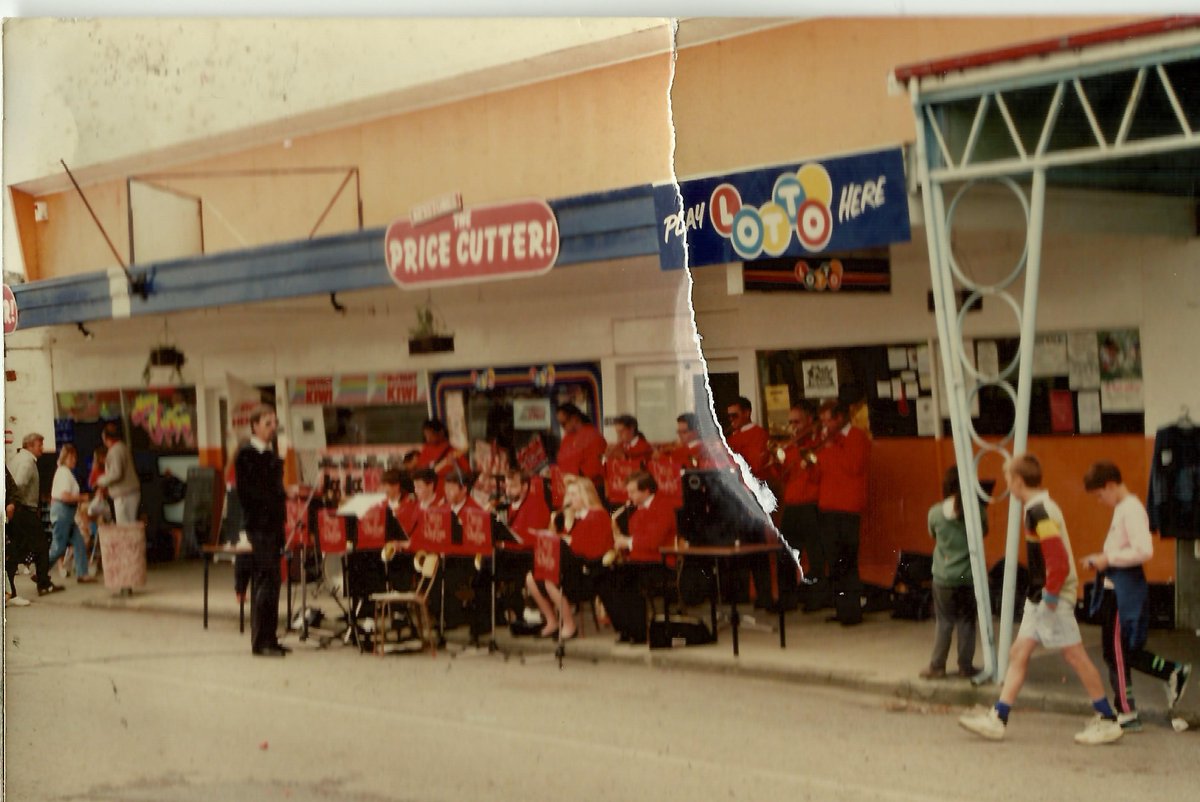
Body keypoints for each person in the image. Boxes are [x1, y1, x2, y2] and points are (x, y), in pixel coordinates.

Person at [959, 453, 1123, 745]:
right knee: (1019, 653)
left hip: (1051, 596)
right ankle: (998, 718)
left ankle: (1108, 719)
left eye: (1009, 479)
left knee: (1074, 655)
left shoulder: (1037, 512)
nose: (1008, 484)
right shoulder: (1042, 506)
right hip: (1042, 597)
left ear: (1019, 481)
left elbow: (1057, 560)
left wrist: (1049, 596)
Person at [1080, 460, 1192, 731]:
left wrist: (1108, 558)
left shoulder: (1130, 509)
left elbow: (1144, 550)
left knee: (1116, 651)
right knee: (1122, 650)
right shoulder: (1124, 508)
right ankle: (1171, 671)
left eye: (1099, 495)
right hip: (1117, 587)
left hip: (1122, 590)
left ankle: (1127, 712)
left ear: (1110, 485)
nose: (1099, 501)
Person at [234, 405, 290, 657]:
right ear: (254, 426)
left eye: (274, 423)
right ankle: (260, 640)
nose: (272, 428)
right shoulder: (247, 455)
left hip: (274, 525)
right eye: (267, 423)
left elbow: (275, 488)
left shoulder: (270, 453)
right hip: (259, 525)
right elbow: (250, 493)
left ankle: (270, 636)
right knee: (264, 581)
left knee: (273, 582)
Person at [525, 476, 612, 639]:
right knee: (531, 578)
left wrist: (567, 540)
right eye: (568, 495)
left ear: (586, 495)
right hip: (572, 567)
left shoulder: (597, 515)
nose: (569, 499)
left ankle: (569, 624)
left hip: (590, 570)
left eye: (574, 495)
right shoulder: (573, 518)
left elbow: (592, 549)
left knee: (551, 580)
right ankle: (551, 620)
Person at [600, 471, 678, 644]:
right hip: (639, 561)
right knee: (604, 579)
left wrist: (627, 542)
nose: (629, 496)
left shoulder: (663, 507)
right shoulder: (636, 511)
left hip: (660, 564)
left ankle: (639, 631)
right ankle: (624, 628)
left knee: (628, 580)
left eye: (633, 492)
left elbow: (653, 541)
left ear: (647, 491)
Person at [920, 467, 984, 680]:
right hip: (967, 575)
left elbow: (932, 534)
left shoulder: (935, 513)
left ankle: (937, 666)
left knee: (944, 621)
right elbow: (984, 531)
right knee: (967, 621)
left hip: (943, 576)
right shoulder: (976, 511)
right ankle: (965, 666)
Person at [816, 400, 870, 625]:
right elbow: (820, 467)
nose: (825, 425)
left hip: (848, 507)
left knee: (848, 561)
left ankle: (852, 613)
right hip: (828, 505)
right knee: (835, 561)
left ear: (840, 418)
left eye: (828, 419)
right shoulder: (829, 440)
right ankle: (841, 609)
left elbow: (854, 466)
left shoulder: (857, 437)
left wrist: (830, 448)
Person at [777, 402, 824, 612]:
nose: (793, 426)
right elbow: (784, 477)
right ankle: (787, 599)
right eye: (791, 422)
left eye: (797, 422)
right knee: (785, 554)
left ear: (809, 421)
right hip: (793, 505)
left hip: (812, 505)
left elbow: (818, 475)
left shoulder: (818, 443)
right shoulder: (790, 446)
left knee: (815, 556)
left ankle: (816, 599)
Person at [6, 432, 61, 599]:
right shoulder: (27, 461)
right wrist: (17, 503)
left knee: (16, 548)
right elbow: (20, 483)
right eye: (40, 444)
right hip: (24, 510)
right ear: (30, 445)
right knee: (42, 546)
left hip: (17, 511)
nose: (42, 448)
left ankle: (10, 589)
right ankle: (43, 583)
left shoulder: (16, 458)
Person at [48, 444, 97, 584]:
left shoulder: (65, 472)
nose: (74, 459)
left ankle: (83, 574)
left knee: (79, 542)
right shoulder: (64, 472)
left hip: (67, 514)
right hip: (63, 512)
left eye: (75, 456)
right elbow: (64, 496)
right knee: (59, 547)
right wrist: (82, 497)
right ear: (65, 457)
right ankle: (41, 570)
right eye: (71, 456)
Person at [555, 403, 607, 491]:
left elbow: (595, 468)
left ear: (575, 418)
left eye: (564, 423)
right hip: (569, 487)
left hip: (589, 489)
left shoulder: (593, 436)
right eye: (560, 424)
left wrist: (573, 477)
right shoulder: (567, 438)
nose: (562, 427)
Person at [97, 424, 140, 525]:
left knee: (125, 527)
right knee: (130, 525)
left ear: (106, 438)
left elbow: (116, 473)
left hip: (124, 496)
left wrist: (101, 480)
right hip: (130, 493)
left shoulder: (115, 450)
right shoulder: (123, 447)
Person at [725, 396, 774, 483]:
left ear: (746, 413)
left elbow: (756, 465)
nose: (731, 419)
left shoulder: (759, 435)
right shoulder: (731, 436)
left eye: (734, 416)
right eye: (729, 416)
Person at [414, 419, 469, 491]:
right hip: (430, 494)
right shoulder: (425, 450)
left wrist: (455, 467)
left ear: (441, 433)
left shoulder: (453, 452)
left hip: (449, 493)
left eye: (431, 435)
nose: (428, 438)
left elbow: (467, 473)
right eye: (426, 435)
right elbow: (419, 471)